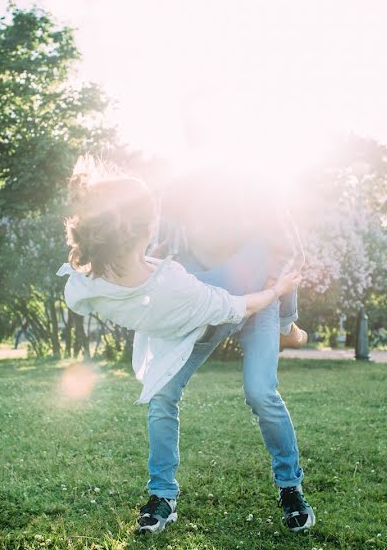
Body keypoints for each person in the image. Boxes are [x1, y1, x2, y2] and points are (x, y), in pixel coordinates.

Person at [58, 158, 315, 534]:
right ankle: (163, 495)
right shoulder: (179, 208)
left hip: (257, 303)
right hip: (203, 312)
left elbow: (293, 252)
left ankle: (290, 488)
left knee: (260, 392)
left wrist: (275, 293)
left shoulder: (260, 195)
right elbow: (155, 258)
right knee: (163, 394)